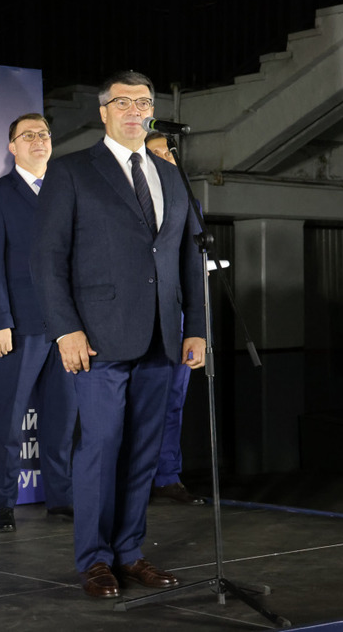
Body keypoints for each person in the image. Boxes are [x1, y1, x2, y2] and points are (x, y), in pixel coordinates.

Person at [31, 71, 206, 598]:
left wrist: (196, 328)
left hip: (161, 337)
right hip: (97, 340)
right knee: (101, 448)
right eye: (123, 102)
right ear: (103, 111)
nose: (135, 111)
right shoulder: (71, 171)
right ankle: (95, 560)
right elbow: (48, 259)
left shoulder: (171, 175)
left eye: (143, 102)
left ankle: (129, 552)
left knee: (143, 452)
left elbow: (188, 258)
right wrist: (65, 329)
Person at [0, 113, 75, 532]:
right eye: (27, 135)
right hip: (18, 327)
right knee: (8, 419)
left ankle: (62, 499)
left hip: (67, 326)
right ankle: (3, 503)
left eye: (44, 134)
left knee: (62, 419)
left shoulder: (67, 191)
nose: (38, 140)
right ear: (12, 147)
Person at [144, 133, 205, 506]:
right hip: (132, 319)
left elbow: (194, 269)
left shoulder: (188, 201)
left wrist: (196, 328)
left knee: (173, 399)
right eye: (156, 152)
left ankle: (167, 476)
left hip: (175, 316)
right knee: (134, 403)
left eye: (169, 152)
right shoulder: (125, 200)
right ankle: (131, 478)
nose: (165, 157)